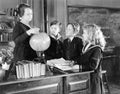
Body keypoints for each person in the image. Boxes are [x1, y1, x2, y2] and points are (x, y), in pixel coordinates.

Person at [78, 23, 106, 94]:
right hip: (86, 77)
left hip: (93, 79)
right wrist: (75, 62)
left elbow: (93, 66)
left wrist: (79, 67)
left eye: (84, 33)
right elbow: (83, 59)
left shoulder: (97, 49)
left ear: (90, 34)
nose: (82, 35)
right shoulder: (87, 46)